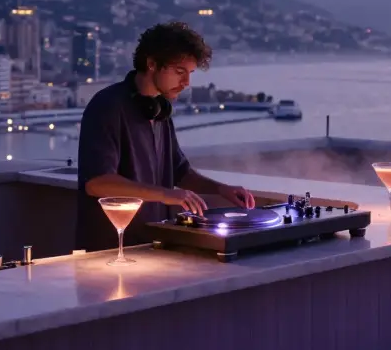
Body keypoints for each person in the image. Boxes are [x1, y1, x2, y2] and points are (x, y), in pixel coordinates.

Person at [75, 21, 256, 252]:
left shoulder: (160, 112)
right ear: (151, 64)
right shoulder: (107, 106)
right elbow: (97, 183)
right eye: (179, 72)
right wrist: (165, 194)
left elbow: (181, 173)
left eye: (189, 74)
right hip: (107, 251)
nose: (186, 83)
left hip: (151, 247)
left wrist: (222, 189)